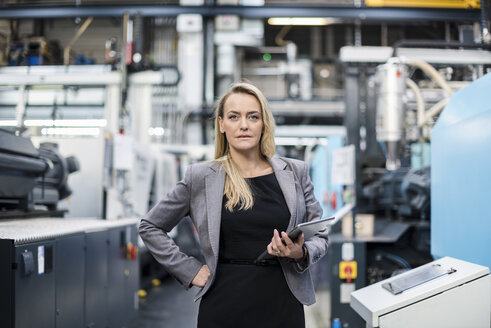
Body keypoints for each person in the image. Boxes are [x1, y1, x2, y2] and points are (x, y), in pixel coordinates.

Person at [139, 82, 329, 327]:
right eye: (233, 116)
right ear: (221, 124)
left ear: (264, 123)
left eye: (253, 116)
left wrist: (300, 252)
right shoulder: (200, 177)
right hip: (224, 301)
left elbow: (321, 234)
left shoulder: (294, 172)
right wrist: (190, 270)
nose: (244, 125)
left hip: (282, 300)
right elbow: (150, 226)